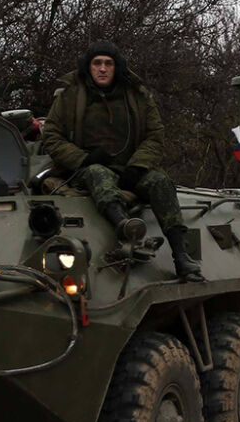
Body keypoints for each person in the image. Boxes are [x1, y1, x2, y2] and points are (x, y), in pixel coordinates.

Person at [41, 40, 203, 282]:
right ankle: (125, 227)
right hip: (85, 169)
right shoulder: (70, 96)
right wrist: (82, 158)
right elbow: (51, 136)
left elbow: (155, 134)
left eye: (109, 63)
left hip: (130, 169)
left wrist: (138, 165)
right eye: (97, 63)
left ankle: (181, 254)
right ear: (89, 67)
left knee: (160, 182)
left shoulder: (137, 96)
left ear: (117, 67)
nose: (103, 69)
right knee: (99, 174)